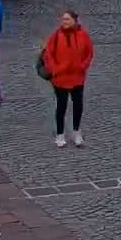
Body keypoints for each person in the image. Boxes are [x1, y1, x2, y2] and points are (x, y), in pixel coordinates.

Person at [43, 10, 93, 147]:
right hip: (60, 78)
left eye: (67, 19)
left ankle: (77, 132)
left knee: (78, 105)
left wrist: (82, 66)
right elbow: (48, 54)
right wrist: (55, 69)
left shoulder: (83, 35)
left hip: (77, 76)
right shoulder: (56, 36)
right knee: (61, 106)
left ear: (74, 21)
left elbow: (89, 52)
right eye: (63, 19)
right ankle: (60, 135)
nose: (64, 22)